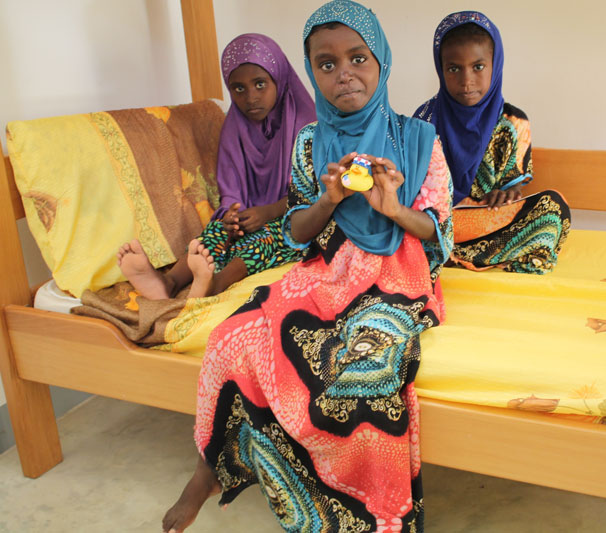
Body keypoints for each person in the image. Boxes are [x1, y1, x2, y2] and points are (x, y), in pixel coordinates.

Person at [161, 2, 453, 531]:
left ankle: (372, 514)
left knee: (365, 369)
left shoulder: (418, 138)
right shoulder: (311, 141)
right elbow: (297, 231)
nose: (344, 74)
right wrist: (329, 198)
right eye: (326, 64)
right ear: (312, 72)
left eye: (358, 58)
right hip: (328, 270)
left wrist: (392, 208)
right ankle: (209, 467)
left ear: (381, 60)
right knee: (235, 333)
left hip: (397, 275)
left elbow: (441, 232)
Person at [118, 34, 315, 300]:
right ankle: (169, 282)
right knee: (215, 231)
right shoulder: (235, 125)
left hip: (295, 216)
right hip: (249, 216)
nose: (250, 97)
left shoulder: (307, 123)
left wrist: (269, 211)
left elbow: (312, 191)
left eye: (260, 84)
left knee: (269, 238)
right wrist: (231, 214)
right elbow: (230, 184)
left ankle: (216, 283)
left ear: (279, 79)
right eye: (239, 89)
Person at [415, 11, 571, 274]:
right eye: (454, 68)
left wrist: (506, 193)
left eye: (478, 66)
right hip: (437, 224)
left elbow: (512, 188)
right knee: (392, 219)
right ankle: (463, 253)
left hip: (484, 219)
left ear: (495, 64)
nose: (466, 81)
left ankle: (451, 255)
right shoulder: (423, 120)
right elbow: (414, 190)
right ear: (440, 69)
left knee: (554, 207)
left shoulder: (513, 122)